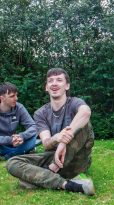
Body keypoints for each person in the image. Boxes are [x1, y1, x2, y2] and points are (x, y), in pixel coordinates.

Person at [6, 68, 95, 196]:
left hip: (77, 160)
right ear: (46, 87)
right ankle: (67, 184)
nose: (54, 83)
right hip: (54, 158)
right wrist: (57, 138)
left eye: (59, 80)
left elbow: (86, 112)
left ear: (67, 86)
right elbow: (47, 144)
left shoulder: (75, 103)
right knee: (12, 162)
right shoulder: (40, 113)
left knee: (84, 125)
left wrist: (64, 142)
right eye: (50, 81)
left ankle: (43, 177)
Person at [0, 82, 37, 160]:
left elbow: (33, 126)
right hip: (2, 144)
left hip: (16, 143)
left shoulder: (19, 107)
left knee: (34, 136)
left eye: (16, 95)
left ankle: (8, 155)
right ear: (2, 98)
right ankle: (20, 152)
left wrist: (22, 136)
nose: (16, 98)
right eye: (12, 96)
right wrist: (10, 140)